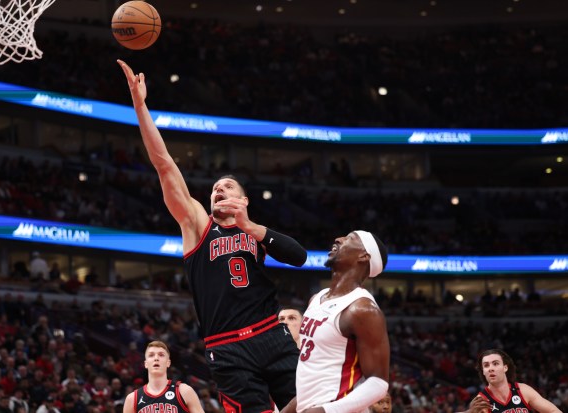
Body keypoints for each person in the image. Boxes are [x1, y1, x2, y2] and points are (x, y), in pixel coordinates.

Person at [118, 60, 307, 413]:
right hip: (227, 347)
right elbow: (164, 164)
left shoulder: (256, 233)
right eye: (216, 188)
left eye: (228, 186)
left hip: (271, 334)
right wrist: (141, 106)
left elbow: (299, 256)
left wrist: (251, 227)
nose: (219, 188)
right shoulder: (197, 226)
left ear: (244, 200)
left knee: (312, 405)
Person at [281, 230, 389, 413]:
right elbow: (317, 379)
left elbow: (378, 383)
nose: (338, 239)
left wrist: (325, 411)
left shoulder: (362, 309)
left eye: (350, 238)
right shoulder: (317, 298)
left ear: (364, 256)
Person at [469, 349, 562, 413]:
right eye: (486, 365)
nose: (490, 368)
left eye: (495, 364)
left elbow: (553, 411)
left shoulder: (522, 390)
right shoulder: (481, 401)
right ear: (483, 372)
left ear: (505, 367)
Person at [122, 340, 204, 413]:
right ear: (145, 364)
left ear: (168, 363)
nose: (156, 358)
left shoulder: (184, 391)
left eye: (161, 355)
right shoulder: (132, 399)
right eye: (151, 355)